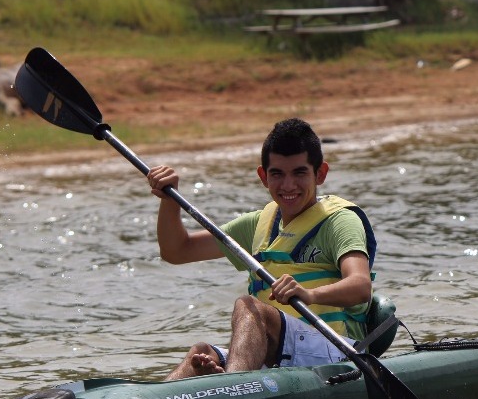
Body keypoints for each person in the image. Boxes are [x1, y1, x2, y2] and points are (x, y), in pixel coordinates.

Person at [146, 117, 376, 380]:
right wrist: (169, 201)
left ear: (320, 174)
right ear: (263, 176)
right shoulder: (257, 224)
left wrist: (309, 295)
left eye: (299, 173)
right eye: (277, 174)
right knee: (202, 353)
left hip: (338, 352)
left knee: (248, 305)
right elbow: (177, 251)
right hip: (280, 355)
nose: (288, 185)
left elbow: (360, 286)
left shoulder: (340, 221)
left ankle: (231, 387)